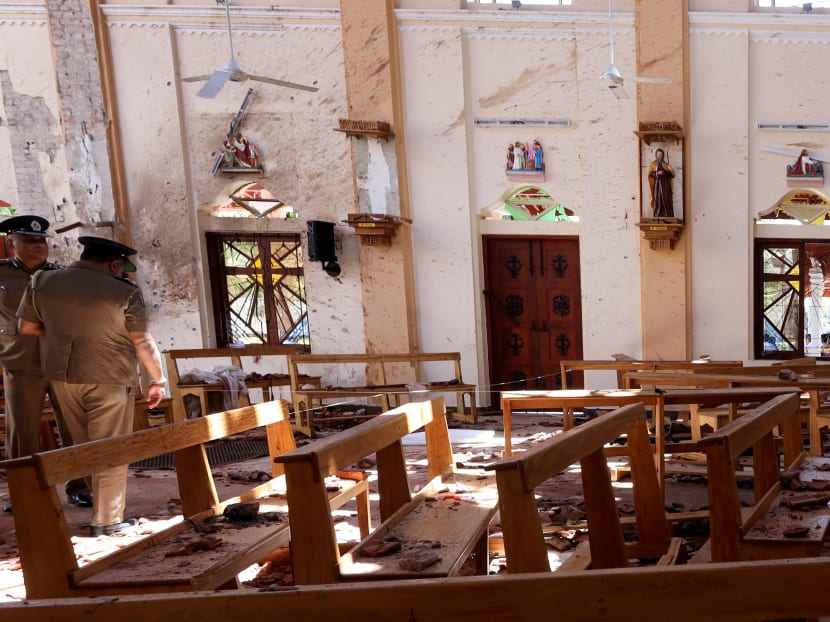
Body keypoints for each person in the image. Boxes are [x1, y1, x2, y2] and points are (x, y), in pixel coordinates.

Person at [17, 236, 165, 536]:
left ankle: (71, 505)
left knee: (81, 446)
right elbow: (142, 341)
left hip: (61, 377)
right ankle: (107, 519)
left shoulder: (42, 281)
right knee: (111, 447)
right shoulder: (124, 291)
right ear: (113, 264)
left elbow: (28, 328)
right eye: (121, 268)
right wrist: (157, 380)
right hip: (109, 377)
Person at [0, 215, 90, 513]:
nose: (38, 246)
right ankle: (23, 492)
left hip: (63, 363)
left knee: (74, 428)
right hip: (21, 363)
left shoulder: (62, 276)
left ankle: (80, 487)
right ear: (11, 243)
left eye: (41, 241)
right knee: (22, 433)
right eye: (29, 240)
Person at [648, 148, 675, 218]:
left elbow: (671, 175)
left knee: (665, 200)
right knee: (657, 200)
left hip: (665, 185)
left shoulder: (666, 164)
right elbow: (650, 174)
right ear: (656, 155)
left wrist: (670, 170)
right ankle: (657, 215)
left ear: (663, 155)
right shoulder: (653, 164)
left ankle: (667, 215)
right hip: (657, 185)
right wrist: (657, 173)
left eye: (661, 154)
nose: (659, 156)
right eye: (658, 154)